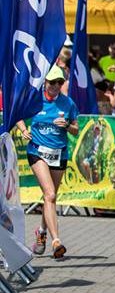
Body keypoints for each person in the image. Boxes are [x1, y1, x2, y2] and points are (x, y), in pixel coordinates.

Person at [18, 67, 79, 259]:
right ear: (45, 82)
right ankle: (56, 241)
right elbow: (17, 113)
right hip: (37, 152)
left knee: (50, 198)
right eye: (52, 82)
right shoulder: (35, 99)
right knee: (50, 194)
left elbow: (76, 129)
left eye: (59, 83)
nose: (55, 86)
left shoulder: (67, 103)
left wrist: (68, 126)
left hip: (59, 153)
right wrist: (23, 129)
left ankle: (41, 231)